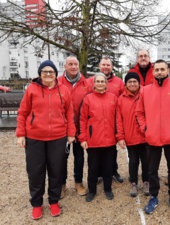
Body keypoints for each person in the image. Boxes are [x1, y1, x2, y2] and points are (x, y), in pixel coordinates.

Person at [16, 60, 76, 220]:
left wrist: (71, 132)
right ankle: (36, 204)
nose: (48, 74)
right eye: (45, 71)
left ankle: (54, 201)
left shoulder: (63, 90)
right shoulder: (31, 90)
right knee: (35, 172)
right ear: (40, 74)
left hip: (58, 137)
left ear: (56, 74)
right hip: (34, 138)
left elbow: (69, 113)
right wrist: (20, 134)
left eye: (51, 71)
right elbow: (22, 112)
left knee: (56, 171)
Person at [135, 59, 170, 216]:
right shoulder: (145, 90)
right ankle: (154, 196)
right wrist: (145, 128)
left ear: (168, 71)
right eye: (157, 69)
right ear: (153, 72)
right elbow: (139, 113)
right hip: (152, 138)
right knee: (152, 170)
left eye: (162, 69)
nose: (159, 72)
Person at [79, 73, 118, 202]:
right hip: (93, 140)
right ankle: (92, 190)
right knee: (93, 168)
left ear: (106, 83)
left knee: (108, 167)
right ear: (94, 83)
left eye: (103, 81)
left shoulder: (113, 98)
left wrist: (118, 136)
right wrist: (83, 138)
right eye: (98, 81)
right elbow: (83, 119)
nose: (100, 84)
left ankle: (108, 189)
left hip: (109, 140)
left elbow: (118, 119)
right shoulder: (88, 99)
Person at [58, 56, 91, 198]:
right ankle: (61, 184)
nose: (73, 67)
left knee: (79, 157)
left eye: (75, 64)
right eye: (70, 64)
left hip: (79, 127)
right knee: (61, 158)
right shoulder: (57, 82)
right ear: (65, 66)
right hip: (62, 128)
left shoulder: (86, 83)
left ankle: (78, 182)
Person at [88, 56, 125, 183]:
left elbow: (123, 99)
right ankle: (99, 174)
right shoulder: (90, 81)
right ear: (99, 66)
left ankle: (113, 171)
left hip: (112, 121)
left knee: (111, 151)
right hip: (97, 123)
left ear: (112, 67)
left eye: (108, 65)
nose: (106, 67)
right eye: (103, 64)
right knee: (96, 153)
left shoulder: (119, 81)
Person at [116, 72, 149, 197]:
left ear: (139, 83)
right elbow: (118, 120)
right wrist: (120, 137)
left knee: (146, 161)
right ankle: (133, 182)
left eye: (135, 81)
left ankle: (146, 181)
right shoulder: (121, 98)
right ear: (126, 84)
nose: (133, 84)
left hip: (145, 136)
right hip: (130, 136)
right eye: (130, 82)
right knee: (133, 161)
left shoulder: (146, 94)